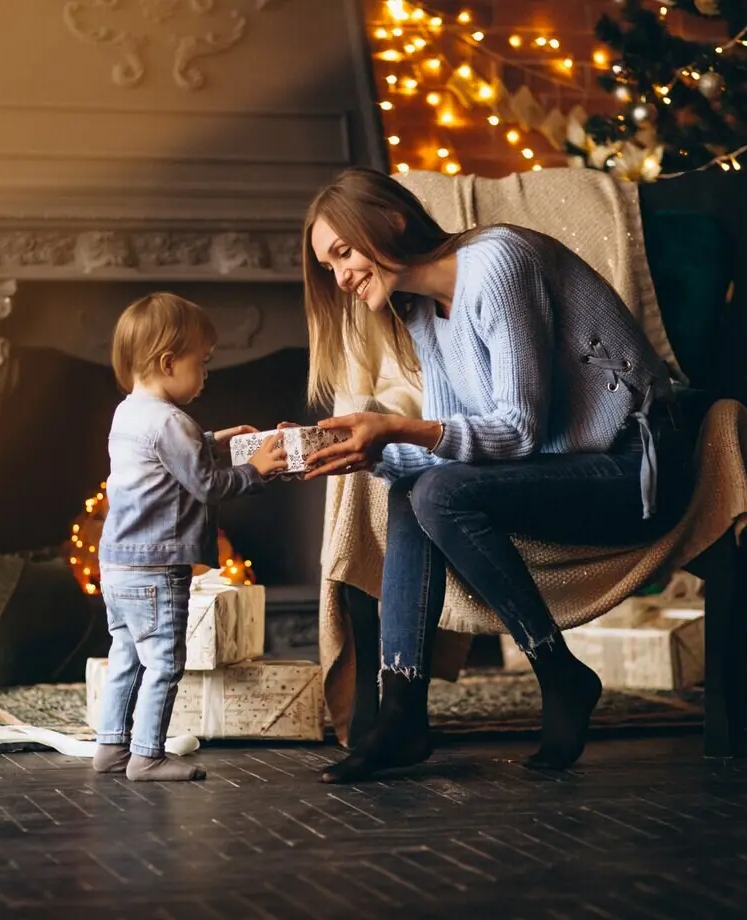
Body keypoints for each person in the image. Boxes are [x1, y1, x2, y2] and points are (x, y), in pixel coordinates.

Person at [297, 167, 692, 783]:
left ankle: (558, 671)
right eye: (329, 267)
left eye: (343, 252)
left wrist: (394, 430)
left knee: (437, 490)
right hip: (560, 469)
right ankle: (402, 712)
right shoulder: (423, 311)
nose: (341, 277)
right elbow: (457, 446)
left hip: (637, 467)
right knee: (414, 489)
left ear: (393, 221)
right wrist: (362, 456)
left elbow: (517, 430)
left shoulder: (499, 264)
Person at [93, 292, 288, 782]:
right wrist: (256, 468)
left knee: (126, 657)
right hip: (157, 567)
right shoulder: (172, 422)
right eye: (201, 364)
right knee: (164, 662)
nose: (205, 375)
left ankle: (111, 747)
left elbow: (165, 457)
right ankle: (147, 756)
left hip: (116, 565)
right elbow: (208, 485)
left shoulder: (128, 413)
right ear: (167, 361)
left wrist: (212, 440)